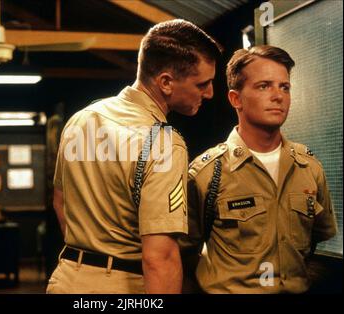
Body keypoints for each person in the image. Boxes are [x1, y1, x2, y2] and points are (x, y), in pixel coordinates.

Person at [46, 19, 221, 294]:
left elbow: (60, 202)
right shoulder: (163, 143)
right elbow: (159, 258)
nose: (210, 93)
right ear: (166, 82)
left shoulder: (81, 119)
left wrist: (93, 251)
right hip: (122, 286)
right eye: (202, 84)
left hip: (66, 279)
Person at [185, 45, 338, 293]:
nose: (278, 96)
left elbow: (318, 238)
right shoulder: (208, 173)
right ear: (236, 99)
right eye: (264, 86)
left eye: (284, 87)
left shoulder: (308, 167)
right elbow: (181, 253)